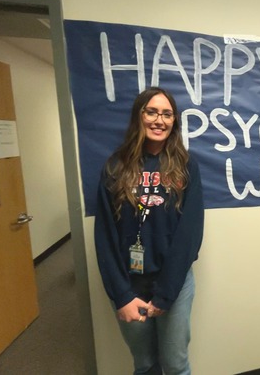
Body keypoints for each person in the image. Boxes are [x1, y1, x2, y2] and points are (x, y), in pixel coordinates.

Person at [94, 87, 204, 375]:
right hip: (130, 286)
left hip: (174, 285)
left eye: (167, 114)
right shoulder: (115, 166)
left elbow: (189, 235)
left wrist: (166, 294)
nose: (160, 120)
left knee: (176, 364)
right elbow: (105, 236)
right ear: (138, 117)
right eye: (152, 112)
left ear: (174, 121)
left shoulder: (186, 166)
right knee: (145, 365)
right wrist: (122, 295)